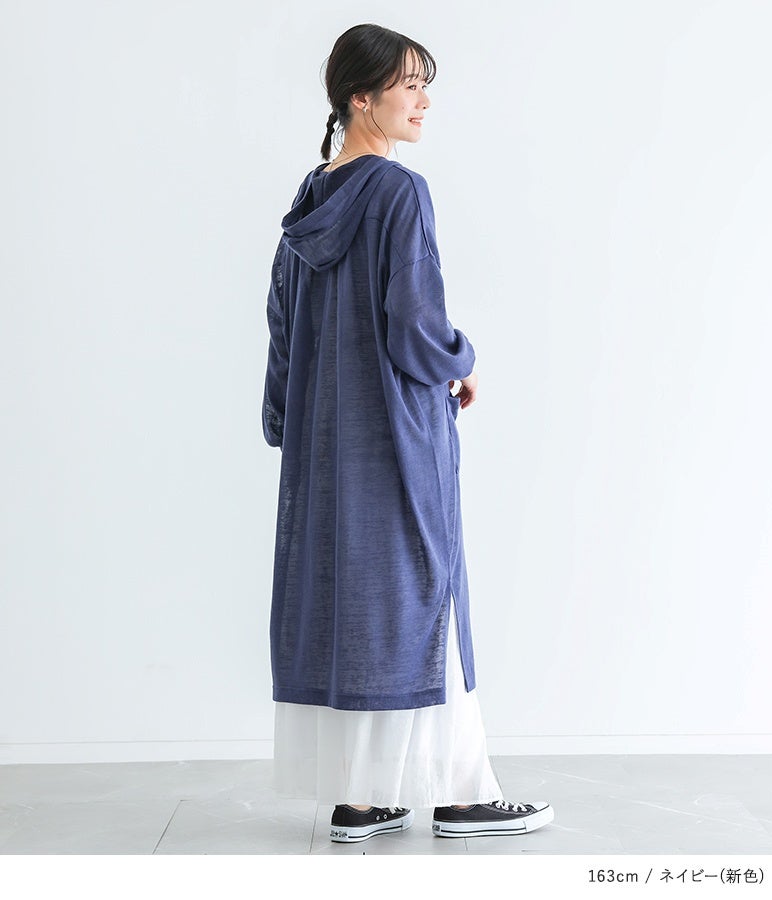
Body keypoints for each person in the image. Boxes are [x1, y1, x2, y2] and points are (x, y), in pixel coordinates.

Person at [261, 23, 554, 844]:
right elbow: (415, 325)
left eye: (426, 85)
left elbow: (281, 324)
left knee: (352, 602)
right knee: (424, 597)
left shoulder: (310, 199)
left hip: (326, 446)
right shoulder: (398, 191)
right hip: (395, 436)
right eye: (410, 86)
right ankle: (460, 796)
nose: (424, 102)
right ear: (363, 98)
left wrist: (287, 420)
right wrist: (462, 360)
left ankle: (361, 799)